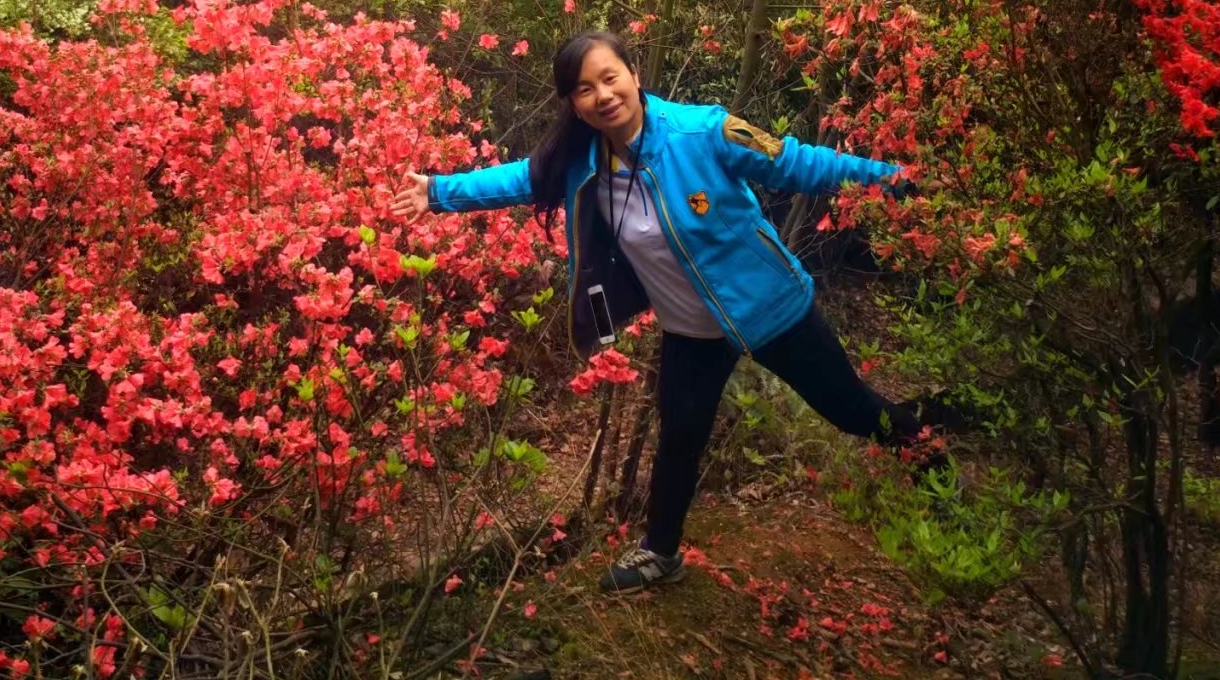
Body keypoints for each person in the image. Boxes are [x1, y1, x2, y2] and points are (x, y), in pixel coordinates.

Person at [391, 30, 929, 593]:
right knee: (679, 442)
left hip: (772, 309)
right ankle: (661, 553)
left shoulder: (703, 131)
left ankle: (929, 458)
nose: (603, 95)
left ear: (634, 74)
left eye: (610, 78)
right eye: (584, 89)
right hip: (691, 333)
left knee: (853, 412)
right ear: (573, 103)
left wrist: (897, 183)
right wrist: (437, 192)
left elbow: (798, 164)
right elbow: (520, 179)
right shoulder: (581, 163)